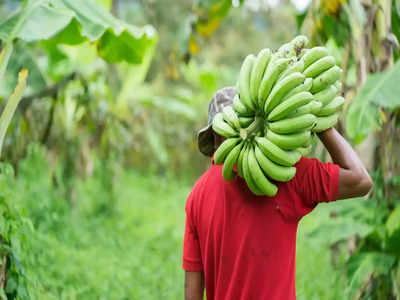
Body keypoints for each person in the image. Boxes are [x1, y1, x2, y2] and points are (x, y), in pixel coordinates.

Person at [182, 87, 373, 300]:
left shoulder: (196, 196)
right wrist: (318, 122)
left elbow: (193, 291)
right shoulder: (287, 175)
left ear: (214, 137)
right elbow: (361, 180)